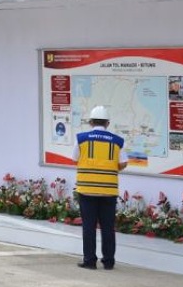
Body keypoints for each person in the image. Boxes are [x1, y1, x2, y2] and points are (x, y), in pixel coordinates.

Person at [73, 105, 128, 270]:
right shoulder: (117, 141)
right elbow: (123, 163)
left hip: (87, 190)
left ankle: (90, 261)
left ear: (90, 122)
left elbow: (75, 158)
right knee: (108, 228)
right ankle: (109, 261)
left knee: (88, 227)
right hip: (108, 191)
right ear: (108, 123)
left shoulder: (81, 138)